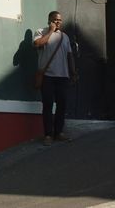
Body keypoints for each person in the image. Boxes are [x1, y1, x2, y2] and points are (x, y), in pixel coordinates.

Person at [33, 11, 77, 146]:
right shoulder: (40, 32)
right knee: (47, 106)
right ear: (49, 20)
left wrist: (73, 72)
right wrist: (51, 32)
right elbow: (37, 44)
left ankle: (59, 132)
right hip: (47, 77)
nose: (58, 22)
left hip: (62, 76)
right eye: (55, 20)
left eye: (60, 20)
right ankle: (48, 135)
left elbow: (70, 56)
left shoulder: (65, 37)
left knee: (62, 105)